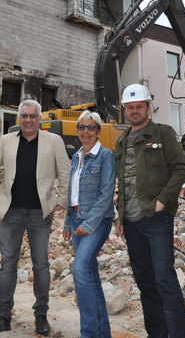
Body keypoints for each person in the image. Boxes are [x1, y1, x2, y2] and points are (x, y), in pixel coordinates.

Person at [0, 99, 70, 336]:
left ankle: (41, 315)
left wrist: (59, 202)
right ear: (19, 118)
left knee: (41, 265)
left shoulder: (54, 141)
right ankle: (3, 315)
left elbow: (65, 173)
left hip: (40, 213)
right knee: (7, 263)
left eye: (33, 116)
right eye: (24, 116)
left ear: (39, 118)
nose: (28, 120)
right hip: (11, 212)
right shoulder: (6, 141)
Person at [114, 84, 185, 338]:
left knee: (164, 280)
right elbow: (124, 181)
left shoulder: (163, 134)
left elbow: (181, 169)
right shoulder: (122, 142)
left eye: (139, 106)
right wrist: (120, 212)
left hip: (156, 218)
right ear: (125, 110)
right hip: (131, 221)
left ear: (148, 107)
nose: (134, 111)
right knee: (145, 282)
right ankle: (156, 334)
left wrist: (162, 202)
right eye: (130, 107)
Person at [62, 110, 115, 338]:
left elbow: (106, 195)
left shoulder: (105, 156)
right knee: (91, 276)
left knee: (80, 270)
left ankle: (89, 334)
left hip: (97, 221)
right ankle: (103, 334)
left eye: (90, 127)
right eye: (82, 127)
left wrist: (89, 224)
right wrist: (67, 223)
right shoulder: (76, 157)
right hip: (75, 219)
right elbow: (71, 193)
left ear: (98, 131)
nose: (85, 131)